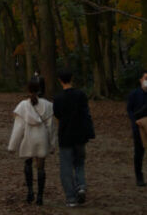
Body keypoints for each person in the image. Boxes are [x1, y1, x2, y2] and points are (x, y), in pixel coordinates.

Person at [8, 78, 55, 205]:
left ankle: (30, 192)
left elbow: (18, 127)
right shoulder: (48, 105)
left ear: (28, 89)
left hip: (28, 137)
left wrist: (12, 145)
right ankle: (40, 196)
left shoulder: (23, 106)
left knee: (28, 164)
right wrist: (52, 145)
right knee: (41, 168)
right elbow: (50, 127)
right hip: (42, 137)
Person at [53, 69, 94, 207]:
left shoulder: (58, 98)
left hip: (65, 135)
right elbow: (85, 112)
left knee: (66, 167)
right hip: (80, 134)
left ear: (60, 80)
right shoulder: (81, 95)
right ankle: (81, 186)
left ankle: (70, 197)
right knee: (79, 163)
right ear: (72, 78)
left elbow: (57, 115)